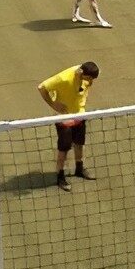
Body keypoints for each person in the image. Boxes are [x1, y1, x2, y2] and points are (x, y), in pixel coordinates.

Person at [37, 61, 102, 192]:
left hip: (79, 114)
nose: (90, 81)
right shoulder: (64, 78)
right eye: (89, 78)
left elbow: (86, 84)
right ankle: (60, 176)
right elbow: (41, 87)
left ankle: (79, 168)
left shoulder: (86, 76)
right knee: (64, 148)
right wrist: (53, 104)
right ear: (82, 73)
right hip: (64, 118)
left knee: (79, 143)